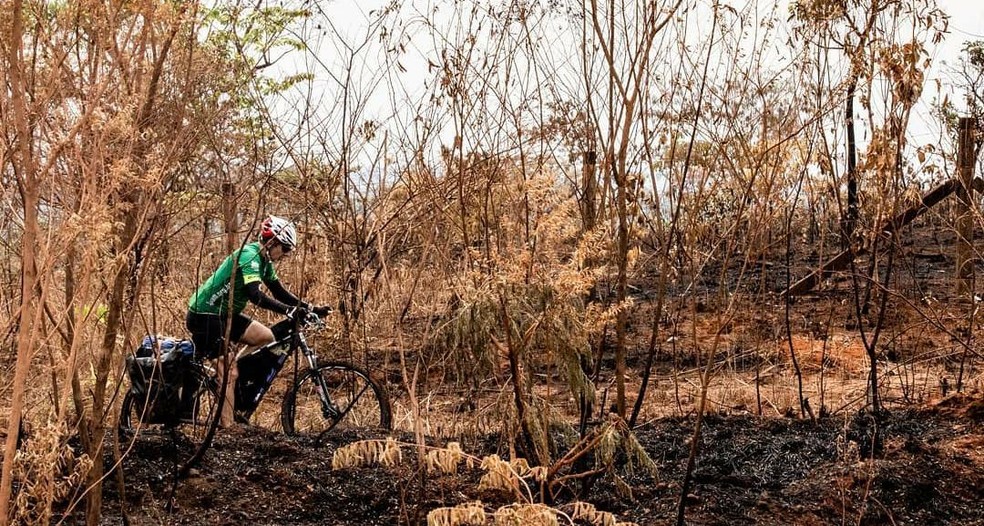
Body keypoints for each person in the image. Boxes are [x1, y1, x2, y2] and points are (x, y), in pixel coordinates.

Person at [185, 215, 329, 426]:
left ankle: (228, 379)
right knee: (229, 372)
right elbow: (255, 295)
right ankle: (229, 428)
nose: (285, 254)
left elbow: (278, 291)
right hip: (205, 316)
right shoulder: (250, 256)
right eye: (284, 249)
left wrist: (310, 308)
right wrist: (289, 311)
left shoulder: (264, 261)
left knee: (265, 337)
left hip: (224, 315)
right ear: (272, 243)